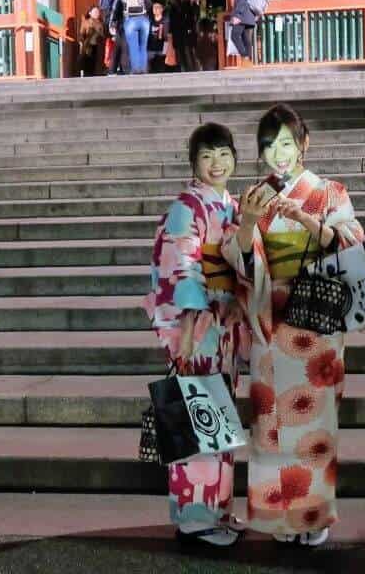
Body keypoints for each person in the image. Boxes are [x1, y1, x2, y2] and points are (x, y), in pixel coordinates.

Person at [223, 104, 364, 548]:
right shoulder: (254, 197)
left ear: (304, 143)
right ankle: (278, 514)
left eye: (286, 143)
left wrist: (306, 219)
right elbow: (238, 260)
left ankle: (313, 514)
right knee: (270, 422)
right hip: (270, 319)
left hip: (315, 323)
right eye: (269, 146)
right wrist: (247, 221)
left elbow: (350, 241)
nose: (278, 154)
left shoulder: (329, 193)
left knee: (313, 423)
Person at [142, 123, 251, 547]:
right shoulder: (186, 207)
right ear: (194, 164)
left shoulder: (232, 205)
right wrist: (197, 307)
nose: (217, 163)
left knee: (219, 418)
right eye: (207, 156)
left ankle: (218, 509)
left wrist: (238, 297)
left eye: (224, 154)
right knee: (199, 416)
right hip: (197, 327)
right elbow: (180, 260)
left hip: (222, 326)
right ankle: (194, 518)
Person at [110, 0, 152, 75]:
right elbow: (149, 5)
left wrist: (112, 23)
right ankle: (143, 69)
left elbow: (114, 9)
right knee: (142, 46)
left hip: (127, 23)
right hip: (142, 22)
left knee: (127, 48)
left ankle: (130, 70)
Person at [167, 0, 200, 73]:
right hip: (177, 30)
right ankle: (183, 71)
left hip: (188, 28)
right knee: (179, 52)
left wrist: (194, 2)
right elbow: (171, 16)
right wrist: (170, 31)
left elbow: (195, 14)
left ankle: (193, 71)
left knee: (189, 51)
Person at [229, 0, 257, 65]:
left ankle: (246, 58)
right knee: (246, 39)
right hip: (248, 13)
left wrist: (238, 15)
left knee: (235, 35)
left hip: (243, 14)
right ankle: (248, 62)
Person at [78, 6, 106, 77]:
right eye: (95, 12)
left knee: (98, 62)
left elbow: (104, 34)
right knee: (88, 62)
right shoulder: (86, 22)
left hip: (99, 45)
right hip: (89, 45)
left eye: (98, 12)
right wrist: (81, 41)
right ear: (90, 13)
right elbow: (81, 34)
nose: (97, 13)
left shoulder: (101, 23)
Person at [147, 2, 169, 73]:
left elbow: (166, 38)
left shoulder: (165, 21)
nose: (155, 9)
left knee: (161, 68)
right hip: (150, 49)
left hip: (161, 50)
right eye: (154, 7)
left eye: (157, 7)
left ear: (162, 9)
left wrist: (165, 51)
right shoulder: (149, 21)